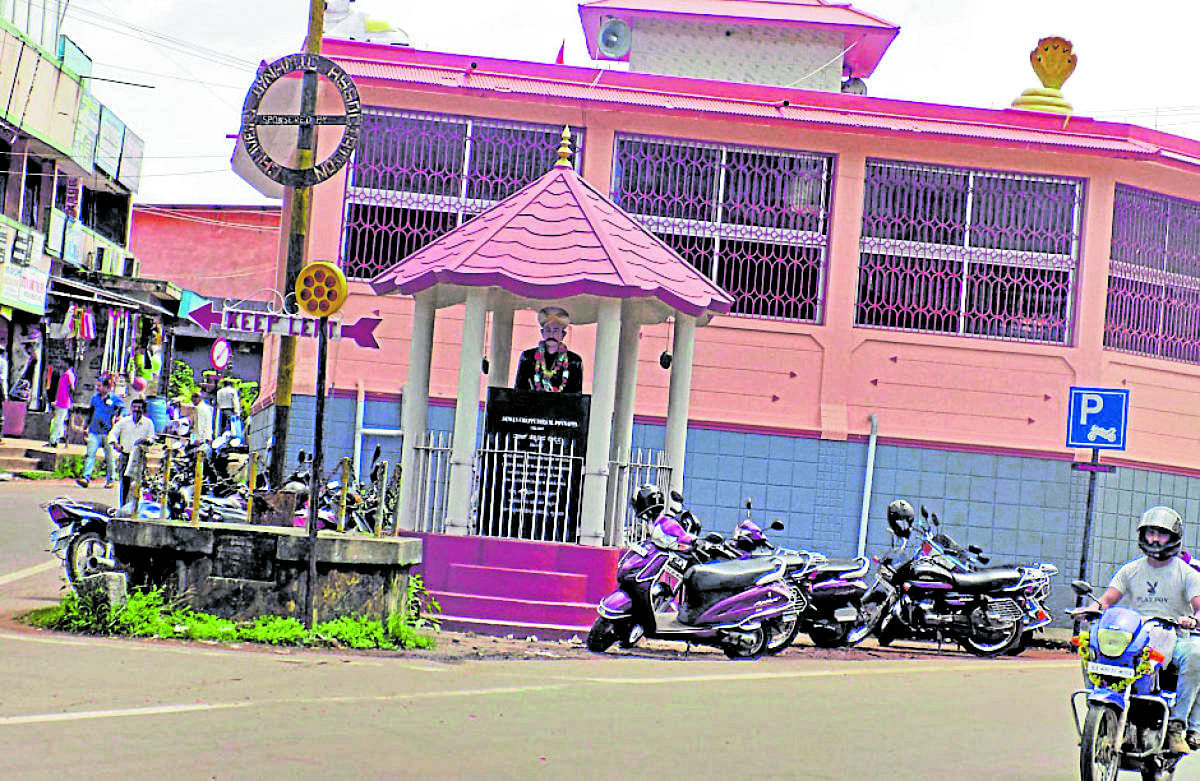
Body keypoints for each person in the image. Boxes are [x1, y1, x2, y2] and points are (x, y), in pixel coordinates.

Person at [1087, 506, 1200, 753]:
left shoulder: (1187, 573)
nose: (1155, 539)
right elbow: (1107, 599)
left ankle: (1178, 725)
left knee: (1196, 654)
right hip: (1137, 634)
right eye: (1150, 532)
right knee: (1090, 644)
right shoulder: (1131, 569)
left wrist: (1193, 619)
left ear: (1174, 537)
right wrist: (1090, 609)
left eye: (1161, 534)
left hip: (1176, 635)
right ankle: (1097, 717)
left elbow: (1199, 606)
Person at [514, 306, 583, 393]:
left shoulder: (574, 361)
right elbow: (519, 390)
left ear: (563, 334)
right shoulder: (528, 357)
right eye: (548, 330)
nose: (551, 335)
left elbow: (576, 395)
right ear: (542, 333)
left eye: (556, 330)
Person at [108, 397, 156, 508]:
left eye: (139, 408)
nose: (136, 410)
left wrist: (146, 442)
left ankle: (135, 507)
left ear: (143, 410)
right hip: (125, 455)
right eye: (134, 407)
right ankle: (123, 507)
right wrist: (115, 444)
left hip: (139, 458)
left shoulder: (148, 423)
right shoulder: (124, 422)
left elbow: (152, 438)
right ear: (131, 408)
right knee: (125, 483)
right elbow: (112, 434)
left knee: (137, 483)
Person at [77, 377, 124, 489]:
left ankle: (111, 479)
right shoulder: (95, 398)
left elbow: (123, 410)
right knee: (90, 454)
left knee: (109, 457)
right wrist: (85, 427)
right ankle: (85, 477)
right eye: (97, 386)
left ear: (107, 387)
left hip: (108, 432)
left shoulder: (114, 399)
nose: (97, 388)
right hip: (94, 430)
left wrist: (119, 417)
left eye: (99, 386)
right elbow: (90, 413)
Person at [47, 362, 76, 447]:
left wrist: (69, 399)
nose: (62, 364)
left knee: (57, 422)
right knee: (58, 421)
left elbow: (72, 387)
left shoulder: (68, 374)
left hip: (64, 402)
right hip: (60, 401)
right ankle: (57, 438)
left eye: (64, 362)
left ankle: (53, 440)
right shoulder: (64, 374)